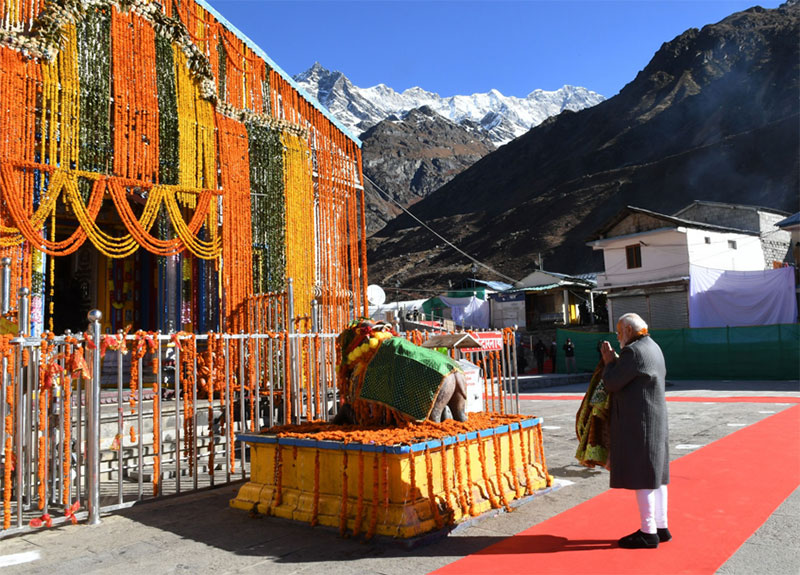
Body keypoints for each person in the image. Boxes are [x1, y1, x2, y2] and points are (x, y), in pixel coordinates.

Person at [599, 313, 670, 549]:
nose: (618, 336)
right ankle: (662, 526)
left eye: (619, 332)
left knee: (643, 476)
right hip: (655, 420)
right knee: (657, 475)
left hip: (639, 422)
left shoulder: (633, 352)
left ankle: (648, 531)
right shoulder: (654, 347)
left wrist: (609, 361)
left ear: (629, 330)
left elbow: (611, 383)